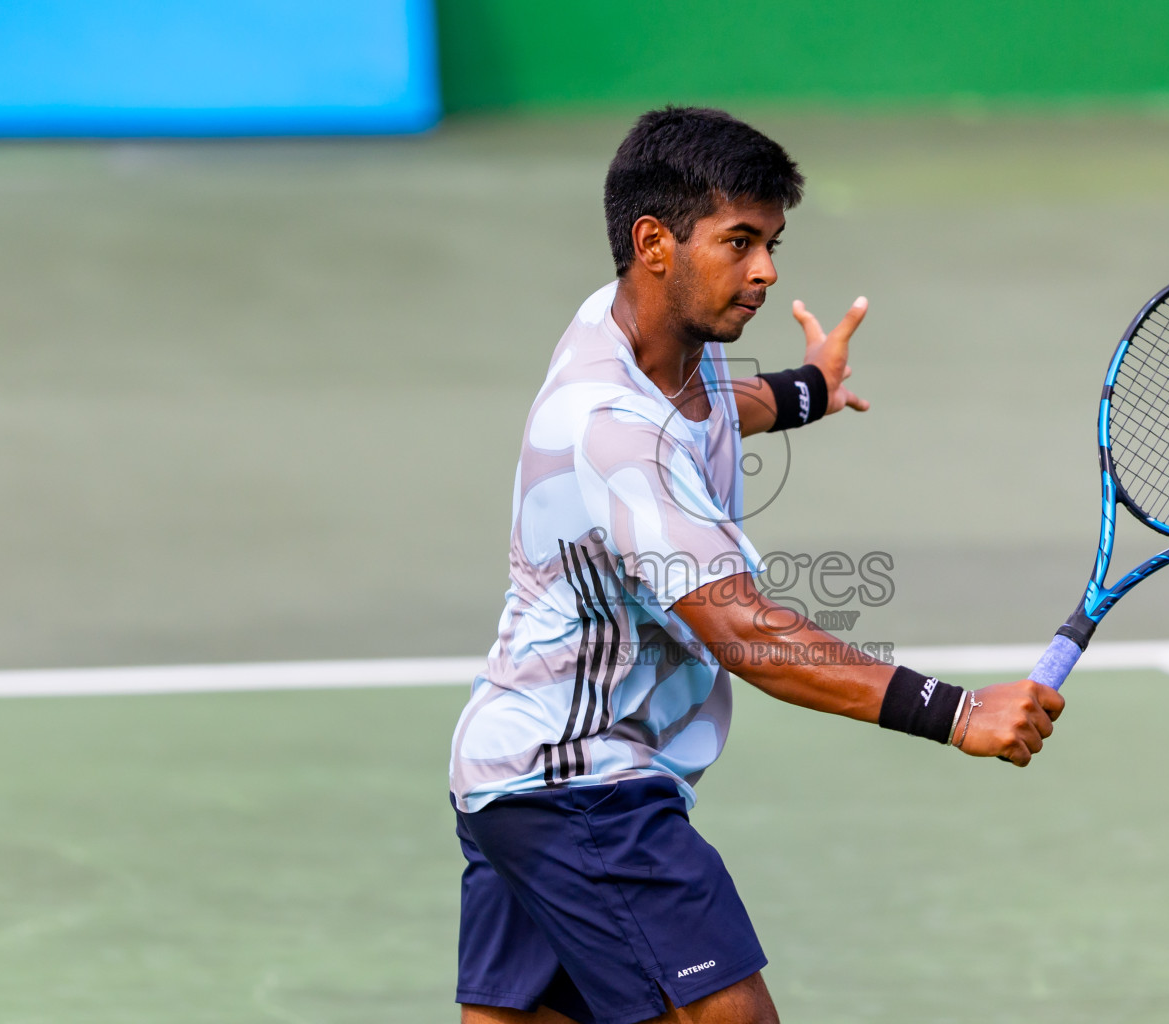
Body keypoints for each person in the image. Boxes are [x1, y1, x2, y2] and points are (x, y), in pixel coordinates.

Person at [449, 106, 1065, 1024]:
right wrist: (960, 712)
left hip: (518, 773)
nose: (768, 270)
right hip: (578, 780)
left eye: (772, 243)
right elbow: (746, 633)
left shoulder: (632, 338)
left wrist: (808, 388)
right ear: (655, 243)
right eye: (739, 243)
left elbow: (713, 404)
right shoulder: (614, 430)